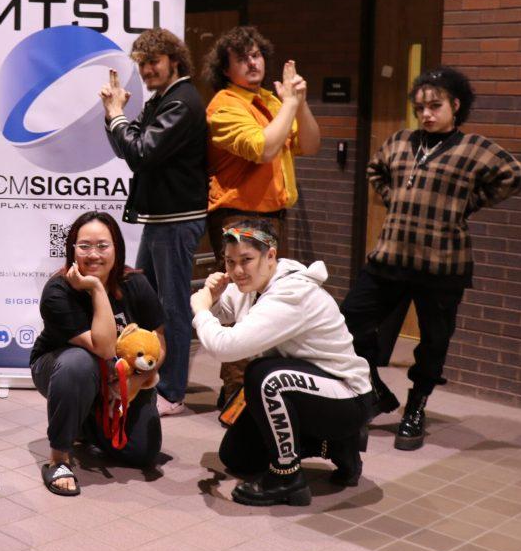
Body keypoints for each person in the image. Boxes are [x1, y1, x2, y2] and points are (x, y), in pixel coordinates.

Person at [341, 67, 521, 450]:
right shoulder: (400, 141)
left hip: (442, 265)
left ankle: (416, 406)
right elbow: (375, 169)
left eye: (435, 105)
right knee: (347, 324)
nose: (426, 114)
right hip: (390, 257)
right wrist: (394, 198)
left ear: (455, 105)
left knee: (434, 342)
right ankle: (375, 391)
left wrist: (468, 204)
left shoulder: (474, 147)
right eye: (420, 107)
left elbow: (517, 175)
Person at [190, 219, 374, 507]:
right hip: (307, 389)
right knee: (237, 457)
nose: (237, 270)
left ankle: (287, 479)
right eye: (230, 261)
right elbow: (225, 311)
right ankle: (336, 445)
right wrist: (212, 299)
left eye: (246, 260)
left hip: (346, 396)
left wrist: (201, 311)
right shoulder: (250, 285)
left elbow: (226, 348)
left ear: (271, 256)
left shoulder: (291, 293)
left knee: (263, 377)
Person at [202, 26, 321, 408]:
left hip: (272, 216)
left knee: (263, 306)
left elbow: (310, 143)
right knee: (240, 307)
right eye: (242, 57)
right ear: (226, 68)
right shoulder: (224, 105)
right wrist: (288, 105)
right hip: (238, 216)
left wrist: (298, 101)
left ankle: (254, 392)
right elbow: (263, 148)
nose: (252, 62)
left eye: (256, 55)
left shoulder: (273, 99)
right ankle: (235, 396)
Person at [100, 28, 207, 416]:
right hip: (163, 217)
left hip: (177, 219)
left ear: (174, 60)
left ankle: (174, 390)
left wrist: (116, 116)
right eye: (142, 64)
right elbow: (129, 149)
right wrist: (114, 116)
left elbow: (140, 151)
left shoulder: (182, 102)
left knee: (172, 307)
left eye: (153, 62)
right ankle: (152, 375)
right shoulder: (165, 99)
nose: (146, 70)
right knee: (145, 300)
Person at [31, 211, 164, 496]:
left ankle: (86, 420)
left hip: (126, 377)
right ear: (72, 250)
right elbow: (103, 348)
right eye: (84, 246)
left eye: (103, 246)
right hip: (61, 369)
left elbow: (159, 343)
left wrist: (138, 382)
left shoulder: (135, 284)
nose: (94, 254)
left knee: (141, 454)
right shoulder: (57, 291)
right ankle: (58, 459)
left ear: (117, 247)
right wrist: (95, 288)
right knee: (78, 363)